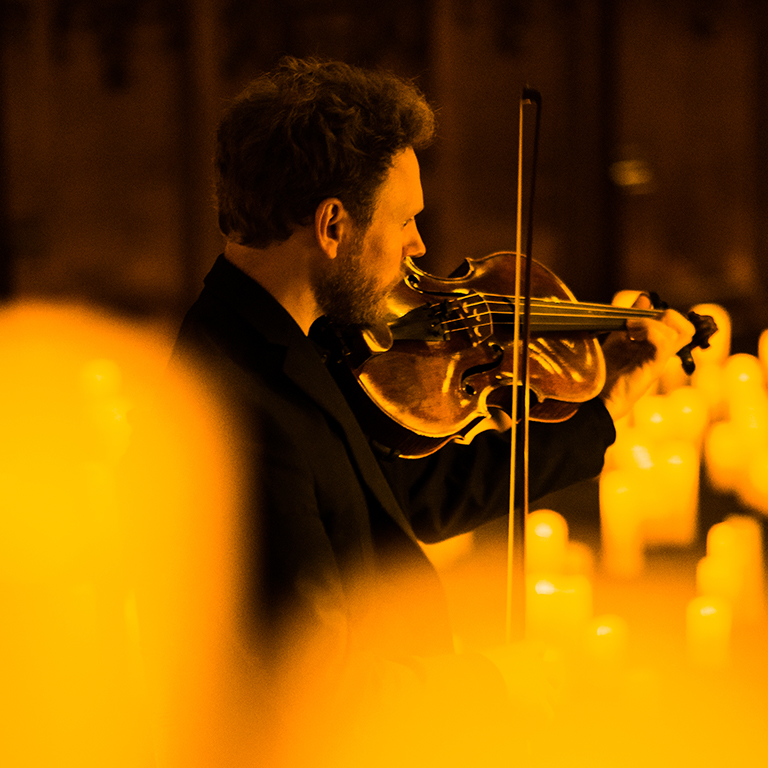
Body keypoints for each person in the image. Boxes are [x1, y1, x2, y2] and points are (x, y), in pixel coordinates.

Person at [168, 57, 694, 764]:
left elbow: (407, 495)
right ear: (332, 226)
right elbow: (311, 687)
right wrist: (492, 682)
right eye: (407, 219)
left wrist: (605, 408)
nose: (420, 247)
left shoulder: (296, 338)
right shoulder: (238, 400)